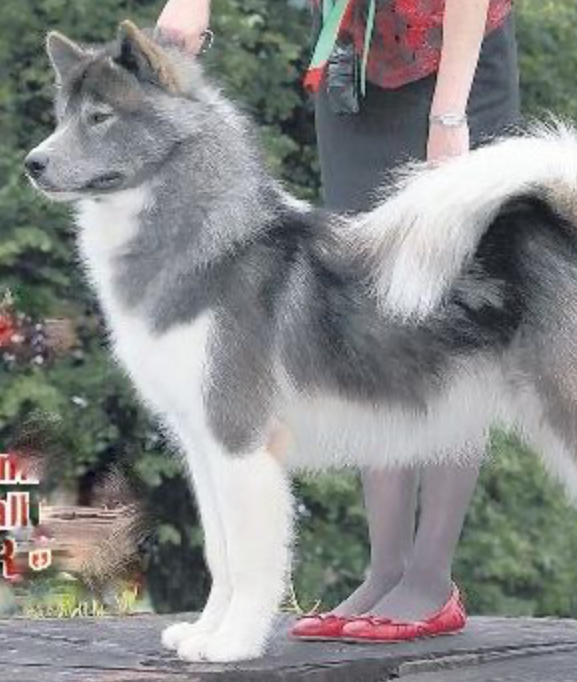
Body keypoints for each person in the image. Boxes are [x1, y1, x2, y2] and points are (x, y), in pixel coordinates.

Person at [157, 0, 520, 642]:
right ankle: (386, 570)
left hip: (454, 68)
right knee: (365, 317)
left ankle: (431, 579)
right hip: (357, 64)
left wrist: (450, 115)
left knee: (451, 323)